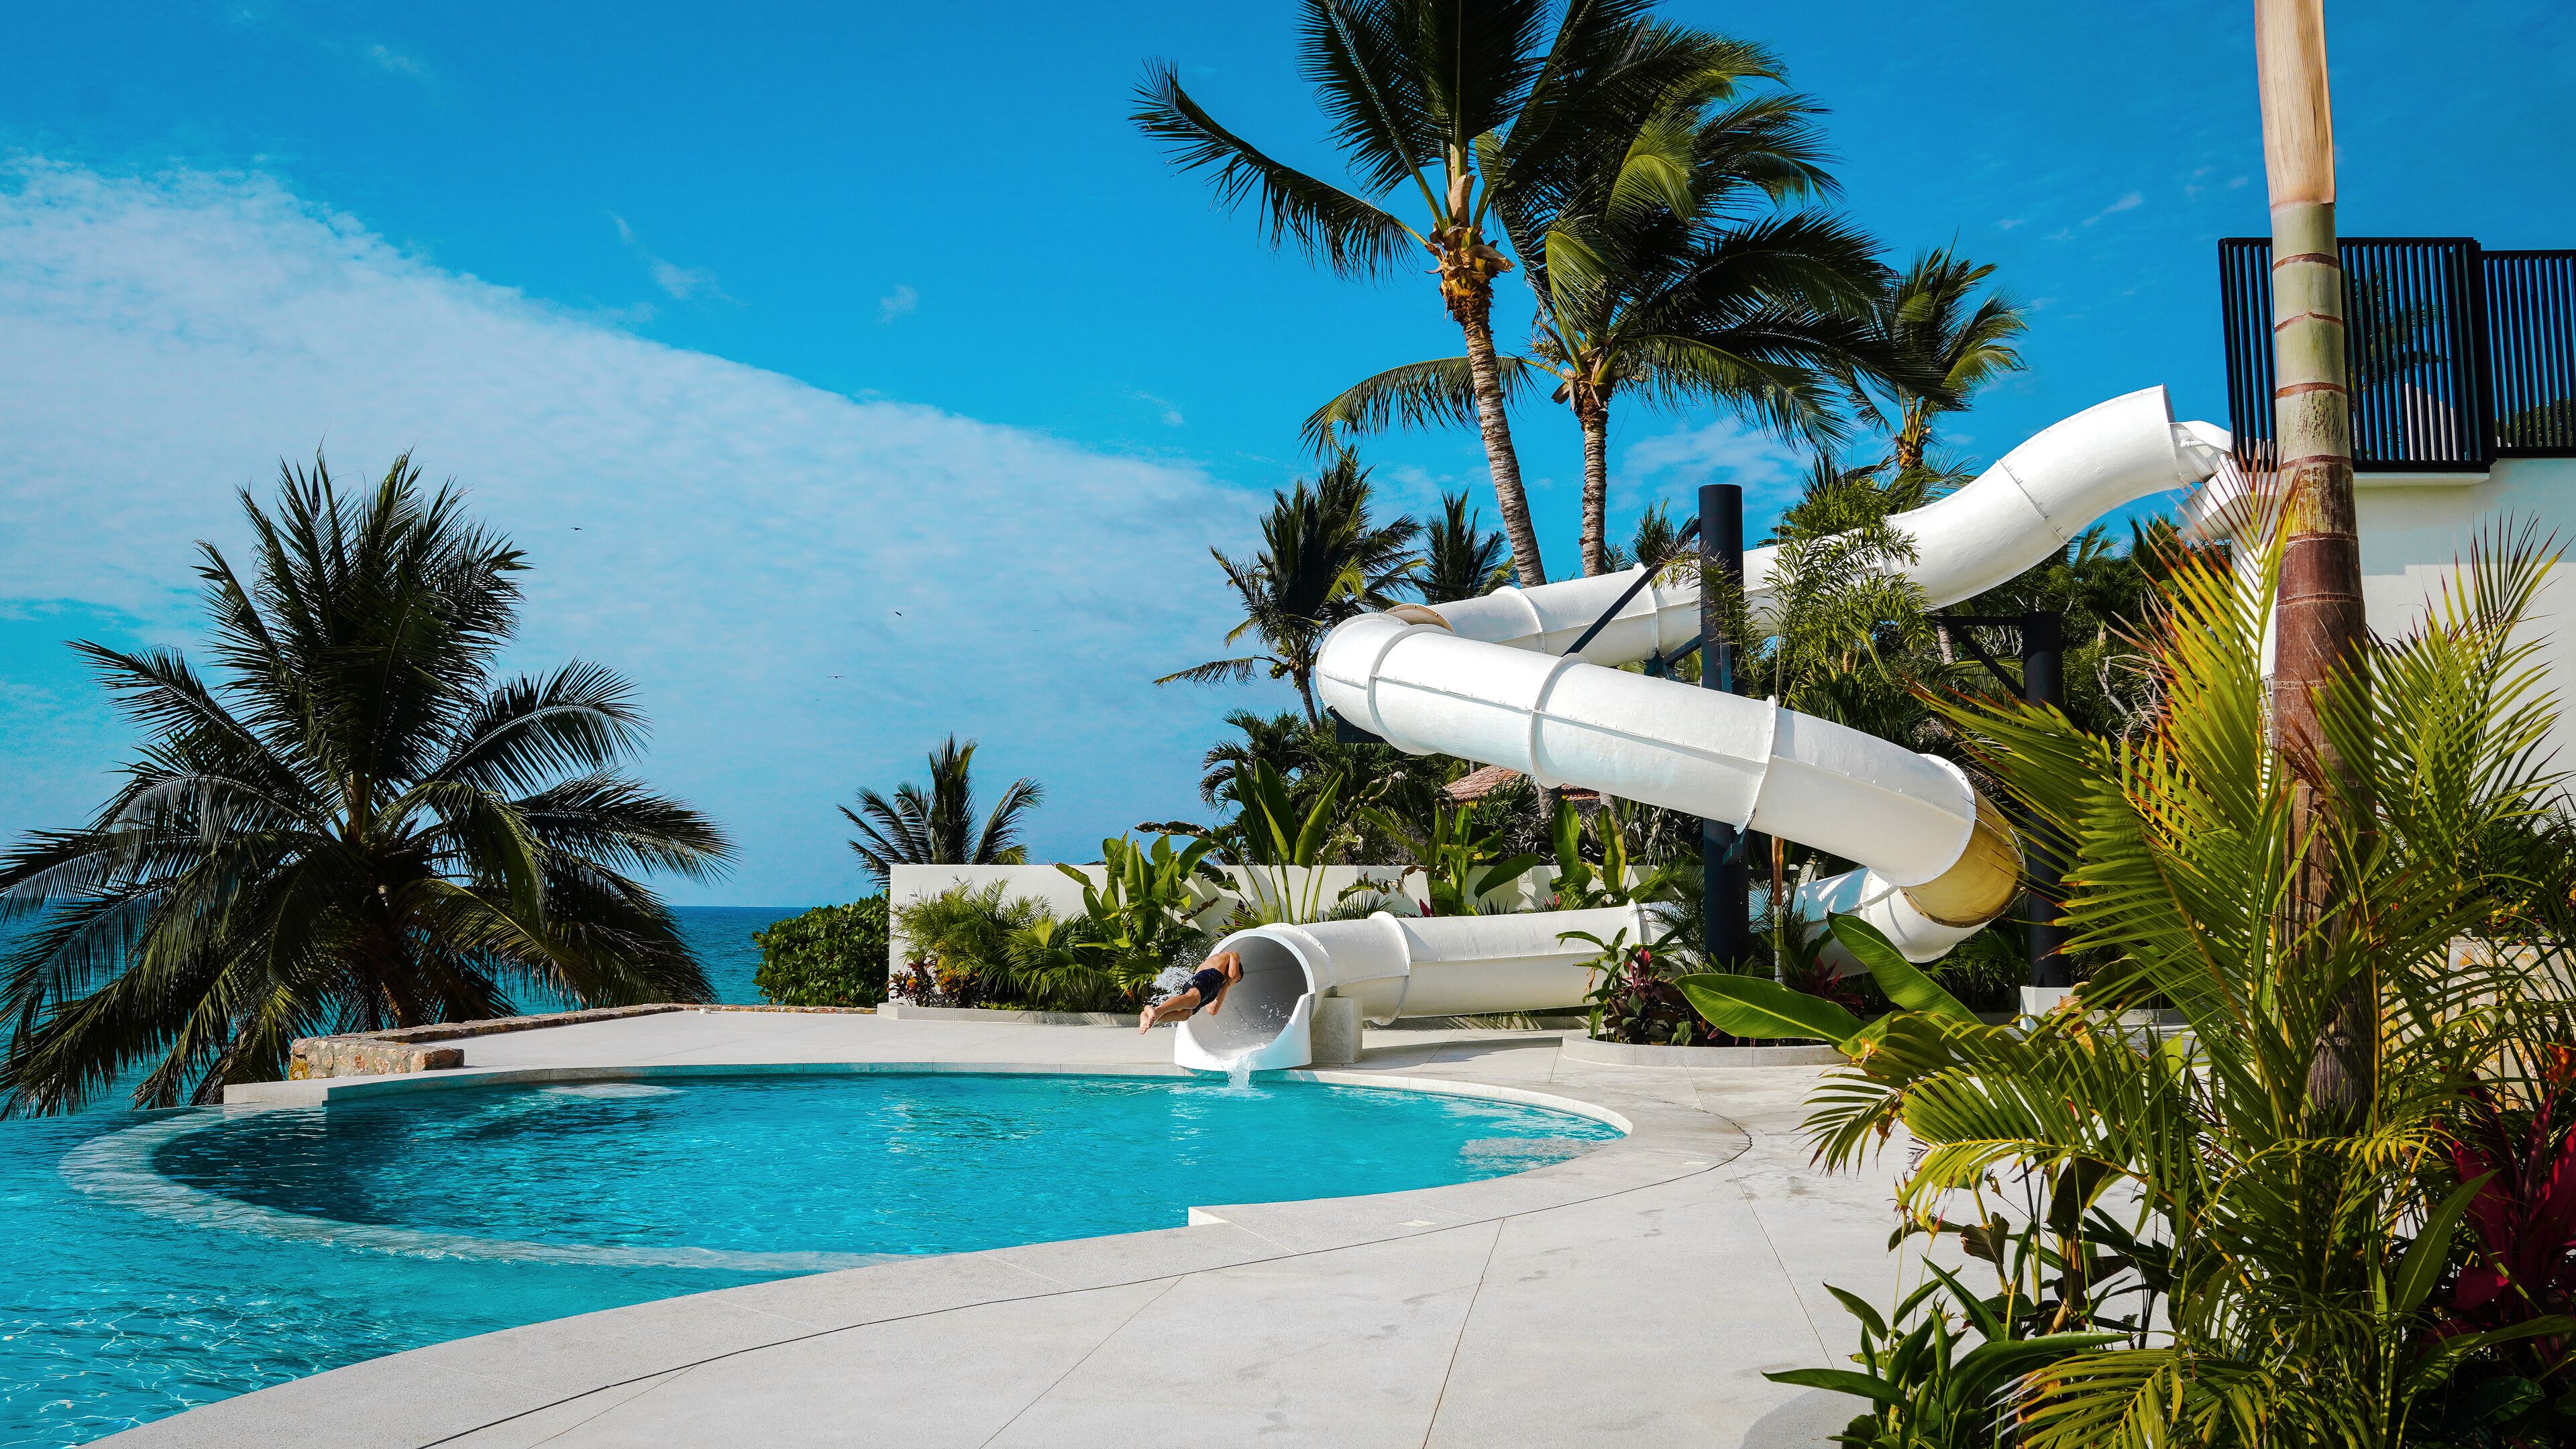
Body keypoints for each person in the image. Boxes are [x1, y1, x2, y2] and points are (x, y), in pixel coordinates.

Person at [1137, 950, 1243, 1033]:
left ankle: (1151, 1018)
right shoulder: (1232, 955)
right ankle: (1157, 1010)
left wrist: (1227, 985)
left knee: (1185, 1013)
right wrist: (1232, 981)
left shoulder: (1218, 985)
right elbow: (1233, 975)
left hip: (1206, 982)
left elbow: (1212, 1010)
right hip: (1209, 975)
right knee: (1193, 1000)